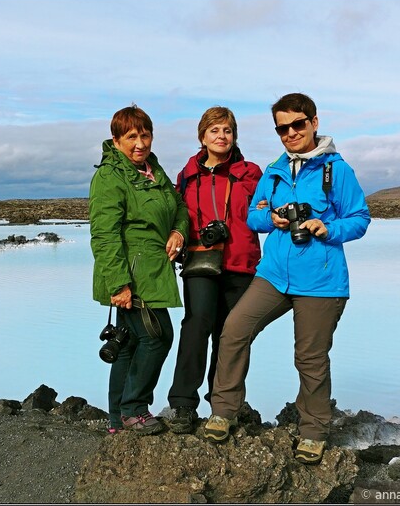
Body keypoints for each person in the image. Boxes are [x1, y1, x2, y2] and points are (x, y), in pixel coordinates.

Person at [202, 93, 371, 465]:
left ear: (313, 122)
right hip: (274, 275)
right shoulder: (275, 170)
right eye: (282, 128)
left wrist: (327, 227)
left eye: (297, 124)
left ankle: (313, 431)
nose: (290, 133)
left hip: (321, 280)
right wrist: (273, 220)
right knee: (235, 330)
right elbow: (253, 215)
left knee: (309, 357)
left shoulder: (336, 170)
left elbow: (360, 218)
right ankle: (222, 411)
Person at [89, 105, 189, 436]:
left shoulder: (153, 171)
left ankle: (117, 419)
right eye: (131, 136)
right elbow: (104, 236)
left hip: (153, 273)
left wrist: (178, 232)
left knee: (130, 343)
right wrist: (118, 284)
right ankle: (134, 409)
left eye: (145, 135)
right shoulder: (109, 176)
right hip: (132, 276)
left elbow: (180, 209)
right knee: (158, 337)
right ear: (116, 140)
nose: (140, 143)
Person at [166, 107, 263, 434]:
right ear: (202, 136)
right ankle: (182, 403)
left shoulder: (250, 173)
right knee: (197, 324)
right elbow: (176, 216)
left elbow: (263, 214)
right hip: (200, 259)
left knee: (233, 333)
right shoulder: (187, 175)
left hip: (240, 261)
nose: (222, 136)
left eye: (227, 131)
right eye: (215, 130)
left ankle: (226, 402)